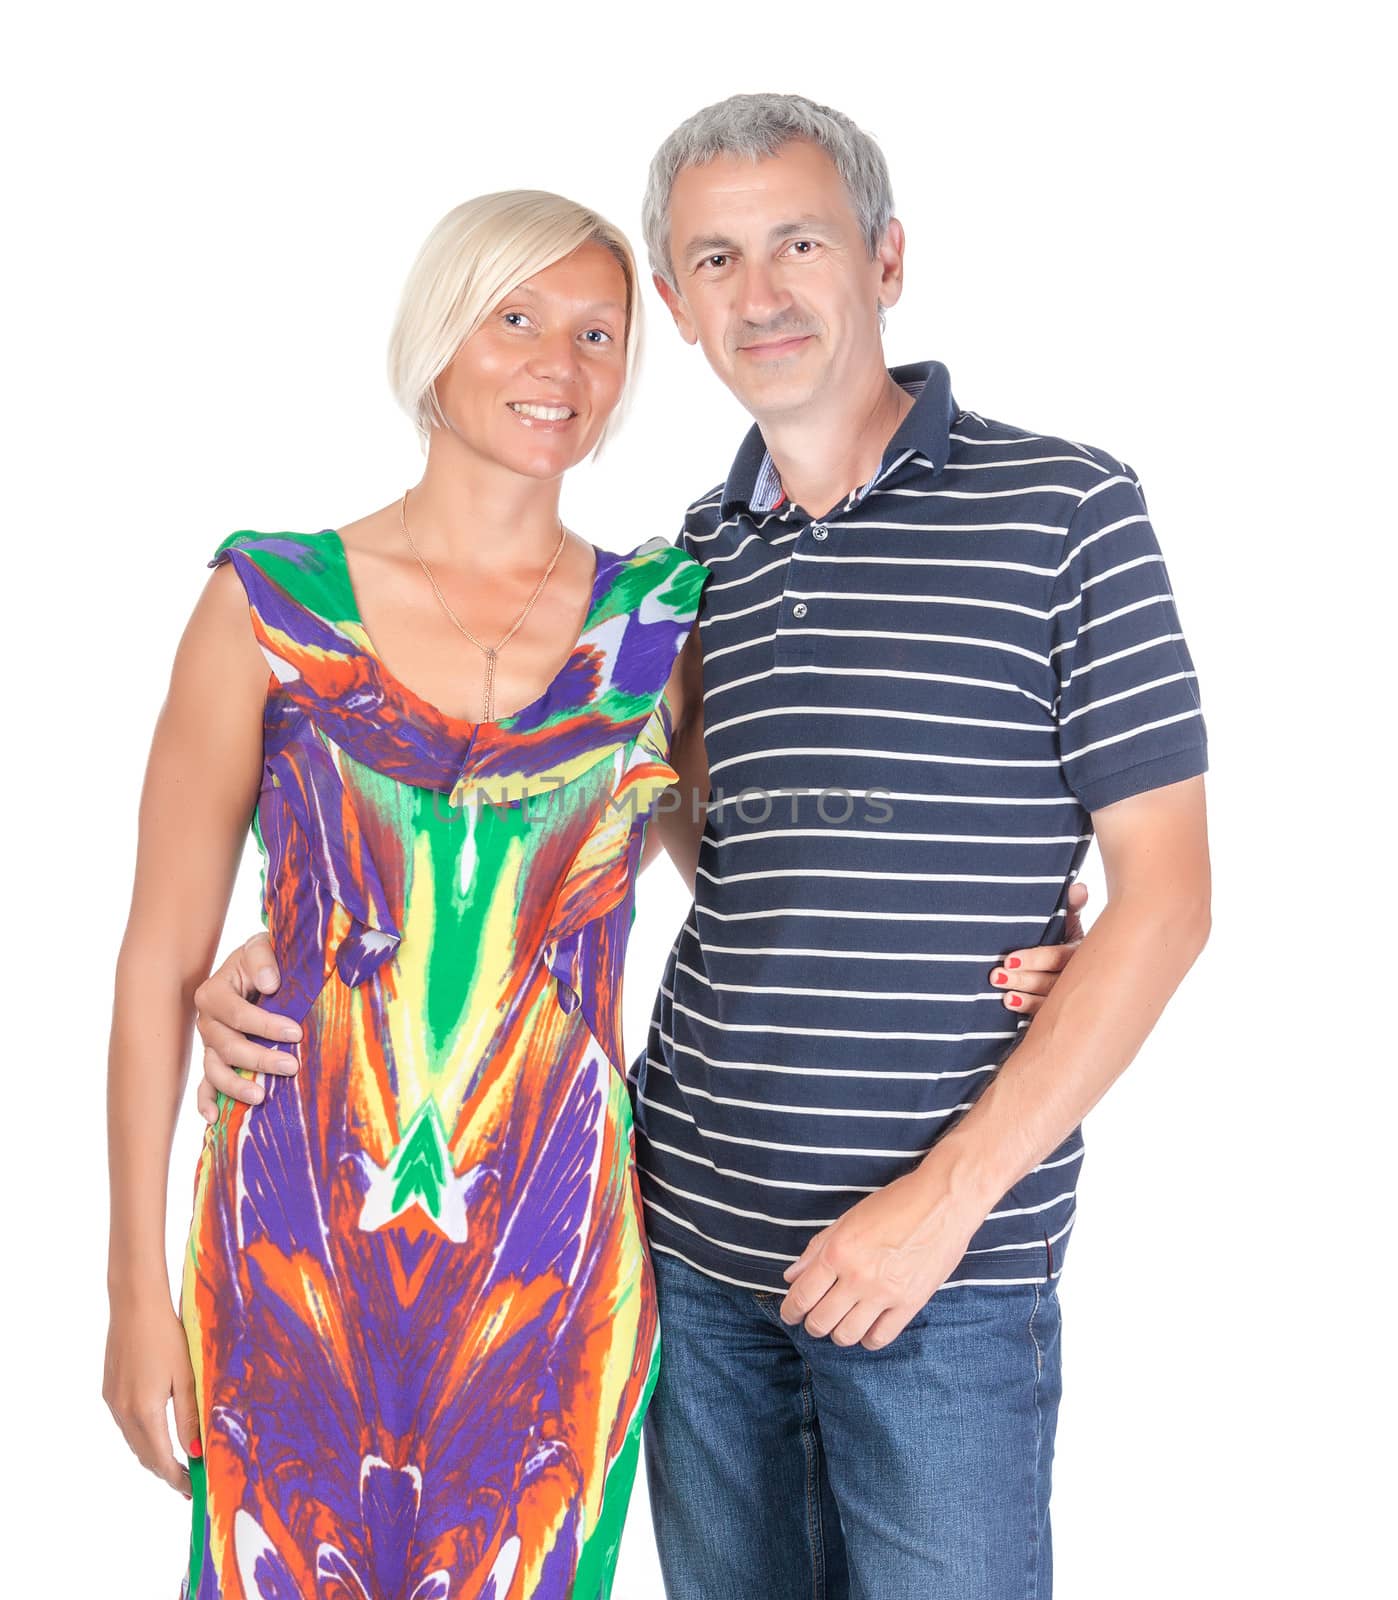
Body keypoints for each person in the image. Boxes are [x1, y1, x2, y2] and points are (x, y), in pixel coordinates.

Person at [185, 95, 1191, 1600]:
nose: (761, 290)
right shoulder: (682, 574)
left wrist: (951, 1194)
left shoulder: (1062, 505)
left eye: (800, 241)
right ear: (679, 303)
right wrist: (308, 947)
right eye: (715, 258)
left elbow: (1170, 900)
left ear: (886, 258)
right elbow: (648, 840)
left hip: (939, 1264)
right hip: (685, 1243)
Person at [103, 191, 718, 1600]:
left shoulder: (657, 623)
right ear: (439, 336)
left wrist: (1018, 936)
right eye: (516, 319)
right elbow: (155, 964)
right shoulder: (272, 604)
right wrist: (135, 1288)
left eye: (597, 333)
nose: (557, 365)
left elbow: (758, 890)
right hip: (290, 1237)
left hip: (548, 1257)